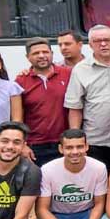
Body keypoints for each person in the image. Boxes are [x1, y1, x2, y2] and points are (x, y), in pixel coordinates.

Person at [64, 25, 110, 170]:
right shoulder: (80, 69)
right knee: (99, 183)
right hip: (95, 140)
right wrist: (76, 139)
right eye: (97, 41)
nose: (103, 44)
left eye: (107, 40)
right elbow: (74, 107)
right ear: (90, 45)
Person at [15, 37, 72, 167]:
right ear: (28, 57)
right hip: (34, 147)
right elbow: (17, 118)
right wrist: (22, 144)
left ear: (52, 54)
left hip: (64, 143)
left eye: (45, 52)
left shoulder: (68, 74)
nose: (41, 56)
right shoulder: (21, 80)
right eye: (36, 53)